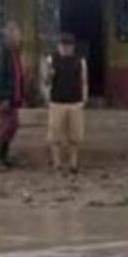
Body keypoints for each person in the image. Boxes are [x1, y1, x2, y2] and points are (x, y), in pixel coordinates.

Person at [45, 33, 88, 174]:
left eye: (68, 46)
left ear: (72, 47)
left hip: (75, 101)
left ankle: (73, 163)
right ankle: (57, 162)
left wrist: (84, 98)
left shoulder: (80, 61)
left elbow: (84, 80)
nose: (65, 48)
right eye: (63, 45)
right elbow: (45, 81)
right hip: (56, 101)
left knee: (75, 135)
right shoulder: (51, 60)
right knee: (55, 134)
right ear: (58, 46)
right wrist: (47, 96)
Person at [0, 21, 25, 169]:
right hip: (2, 96)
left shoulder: (13, 50)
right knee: (7, 125)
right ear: (9, 34)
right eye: (17, 33)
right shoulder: (0, 51)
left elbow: (17, 74)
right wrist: (2, 97)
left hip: (12, 95)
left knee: (13, 125)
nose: (19, 37)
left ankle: (4, 156)